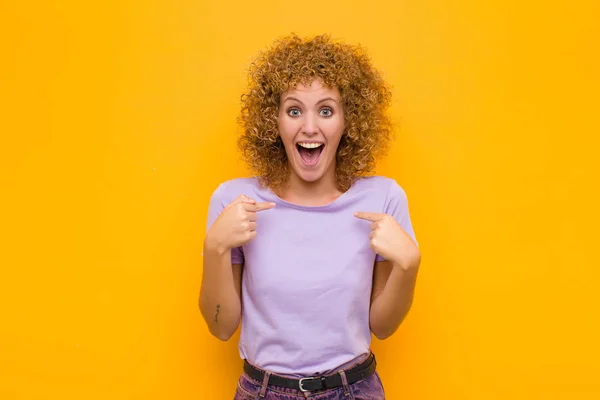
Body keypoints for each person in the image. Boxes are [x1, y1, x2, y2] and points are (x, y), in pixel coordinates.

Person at [200, 33, 421, 400]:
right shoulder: (235, 201)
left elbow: (382, 326)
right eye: (294, 110)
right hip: (263, 391)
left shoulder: (383, 198)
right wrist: (215, 248)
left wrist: (409, 264)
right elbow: (222, 327)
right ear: (274, 121)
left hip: (353, 389)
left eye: (326, 110)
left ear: (348, 120)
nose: (309, 127)